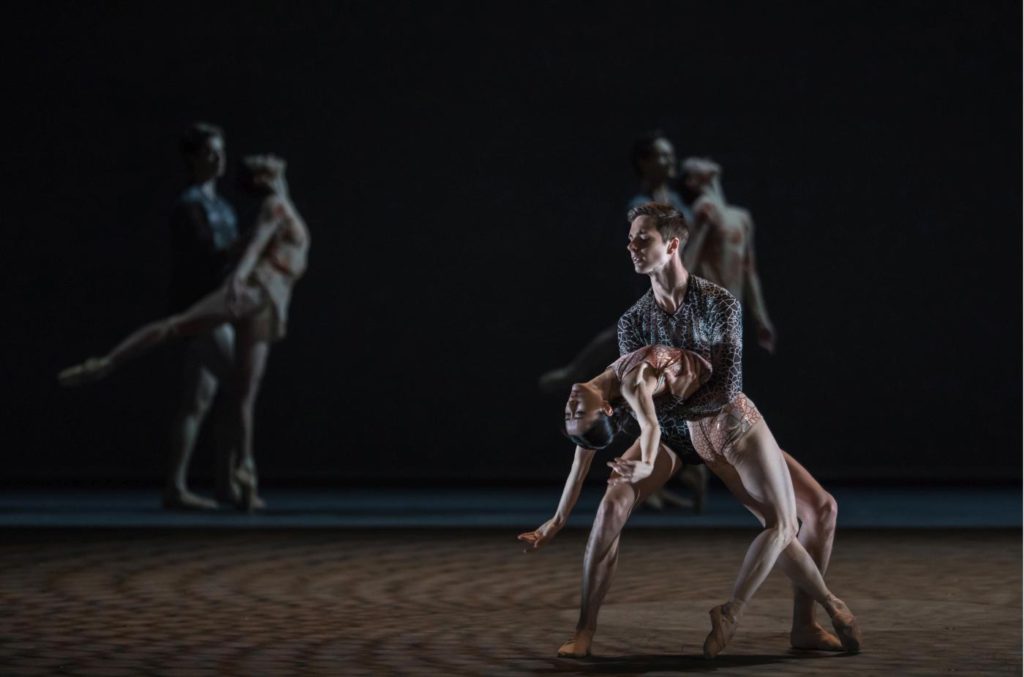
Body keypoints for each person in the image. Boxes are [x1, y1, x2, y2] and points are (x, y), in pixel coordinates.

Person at [519, 202, 853, 657]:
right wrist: (560, 517)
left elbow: (727, 386)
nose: (632, 247)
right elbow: (630, 409)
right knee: (611, 510)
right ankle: (585, 630)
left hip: (723, 423)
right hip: (669, 431)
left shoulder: (718, 303)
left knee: (819, 510)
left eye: (643, 239)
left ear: (672, 245)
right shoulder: (634, 321)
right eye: (631, 239)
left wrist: (666, 413)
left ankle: (805, 625)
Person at [59, 155, 309, 511]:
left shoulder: (275, 204)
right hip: (256, 290)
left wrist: (239, 256)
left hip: (273, 301)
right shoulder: (274, 205)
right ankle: (105, 363)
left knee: (241, 394)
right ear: (263, 176)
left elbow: (247, 243)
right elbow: (254, 247)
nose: (269, 159)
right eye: (262, 161)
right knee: (183, 333)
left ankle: (240, 477)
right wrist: (239, 275)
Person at [539, 131, 708, 512]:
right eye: (661, 156)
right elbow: (665, 256)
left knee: (653, 390)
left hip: (678, 301)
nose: (669, 162)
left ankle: (671, 474)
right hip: (657, 297)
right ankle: (662, 476)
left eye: (670, 155)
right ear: (644, 163)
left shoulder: (678, 201)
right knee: (634, 379)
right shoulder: (642, 204)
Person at [164, 122, 240, 510]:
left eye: (219, 150)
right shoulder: (190, 205)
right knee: (238, 386)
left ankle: (182, 486)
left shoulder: (220, 204)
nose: (218, 158)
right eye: (209, 152)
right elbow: (203, 256)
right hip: (201, 307)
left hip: (218, 307)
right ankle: (227, 482)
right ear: (192, 158)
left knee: (198, 399)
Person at [680, 157, 776, 353]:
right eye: (696, 162)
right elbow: (685, 266)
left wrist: (761, 319)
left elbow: (749, 270)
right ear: (691, 181)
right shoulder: (703, 209)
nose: (704, 160)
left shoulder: (741, 217)